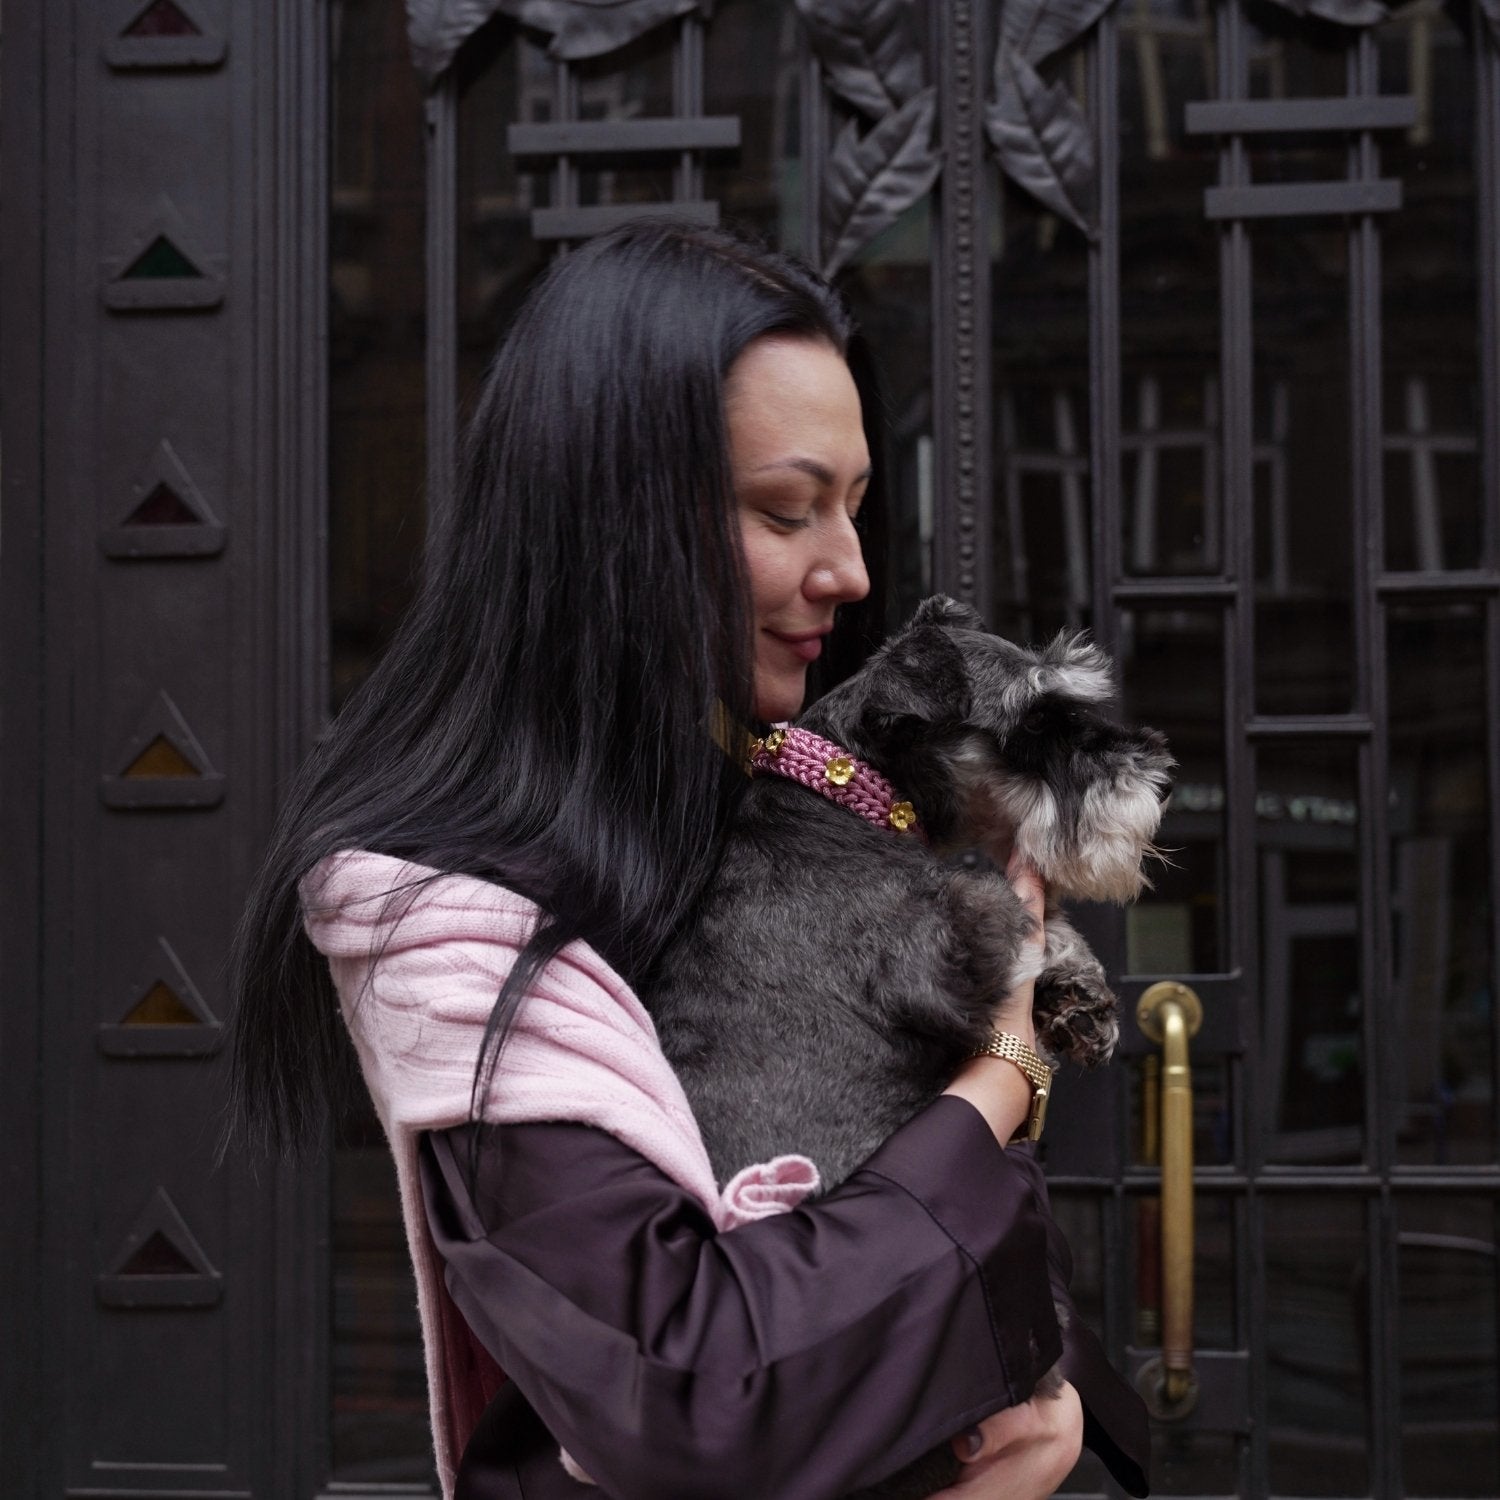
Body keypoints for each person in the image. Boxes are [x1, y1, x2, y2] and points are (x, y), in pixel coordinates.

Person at [229, 220, 1150, 1500]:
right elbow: (699, 1390)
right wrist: (1004, 1062)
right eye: (788, 510)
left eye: (857, 505)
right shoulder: (437, 919)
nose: (850, 570)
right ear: (614, 523)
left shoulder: (769, 806)